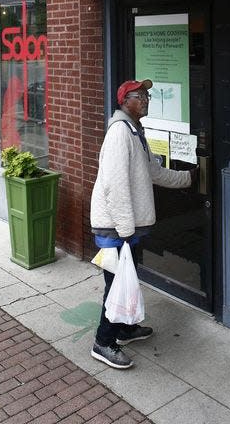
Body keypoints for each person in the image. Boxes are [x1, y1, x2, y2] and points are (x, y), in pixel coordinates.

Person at [90, 78, 193, 369]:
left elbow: (151, 171)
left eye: (147, 95)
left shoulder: (135, 131)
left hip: (126, 227)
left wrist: (188, 178)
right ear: (125, 102)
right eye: (139, 96)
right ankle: (103, 341)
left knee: (128, 278)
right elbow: (115, 185)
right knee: (116, 285)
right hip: (117, 229)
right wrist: (124, 231)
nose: (145, 100)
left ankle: (123, 330)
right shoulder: (119, 133)